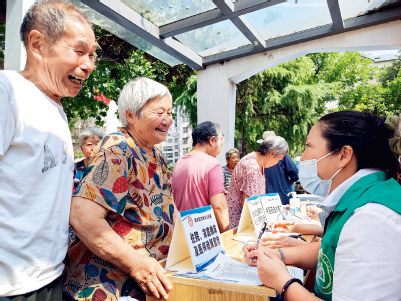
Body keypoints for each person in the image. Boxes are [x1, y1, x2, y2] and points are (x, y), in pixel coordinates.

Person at [243, 111, 401, 300]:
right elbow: (332, 250)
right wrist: (277, 255)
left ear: (343, 154)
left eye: (309, 145)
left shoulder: (372, 217)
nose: (303, 156)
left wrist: (283, 283)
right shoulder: (363, 197)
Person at [0, 3, 95, 300]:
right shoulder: (7, 92)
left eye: (93, 54)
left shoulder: (55, 109)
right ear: (38, 44)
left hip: (49, 276)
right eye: (79, 51)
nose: (89, 64)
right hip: (11, 286)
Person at [62, 78, 177, 301]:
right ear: (131, 115)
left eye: (170, 113)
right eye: (159, 112)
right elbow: (82, 216)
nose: (168, 120)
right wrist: (136, 263)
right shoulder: (118, 148)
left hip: (145, 283)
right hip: (107, 286)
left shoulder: (157, 156)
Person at [172, 121, 229, 232]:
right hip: (204, 233)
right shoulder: (212, 163)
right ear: (212, 140)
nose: (219, 151)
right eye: (220, 145)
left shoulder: (178, 163)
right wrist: (227, 235)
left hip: (182, 231)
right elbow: (218, 206)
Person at [227, 134, 288, 229]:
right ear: (271, 154)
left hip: (249, 222)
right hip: (242, 225)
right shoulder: (252, 168)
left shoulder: (257, 162)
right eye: (278, 160)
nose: (277, 163)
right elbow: (248, 206)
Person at [259, 132, 298, 205]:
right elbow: (293, 171)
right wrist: (293, 179)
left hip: (265, 197)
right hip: (282, 195)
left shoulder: (259, 157)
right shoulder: (282, 155)